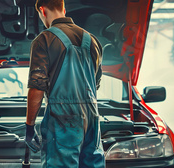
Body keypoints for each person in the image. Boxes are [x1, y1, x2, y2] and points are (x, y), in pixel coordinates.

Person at [24, 0, 104, 167]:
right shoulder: (93, 42)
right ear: (64, 9)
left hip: (63, 119)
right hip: (92, 118)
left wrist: (29, 127)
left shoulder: (44, 40)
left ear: (42, 11)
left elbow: (37, 88)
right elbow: (95, 83)